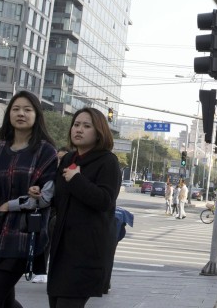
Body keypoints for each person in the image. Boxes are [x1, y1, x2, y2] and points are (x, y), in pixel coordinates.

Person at [0, 91, 58, 308]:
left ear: (36, 115)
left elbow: (46, 197)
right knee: (5, 299)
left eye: (27, 110)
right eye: (16, 109)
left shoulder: (46, 151)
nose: (21, 114)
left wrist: (13, 203)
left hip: (22, 234)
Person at [46, 107, 122, 308]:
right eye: (76, 125)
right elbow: (59, 198)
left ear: (99, 132)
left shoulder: (108, 161)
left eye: (87, 126)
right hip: (62, 247)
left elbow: (105, 200)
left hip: (87, 251)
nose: (79, 129)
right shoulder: (69, 159)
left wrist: (77, 179)